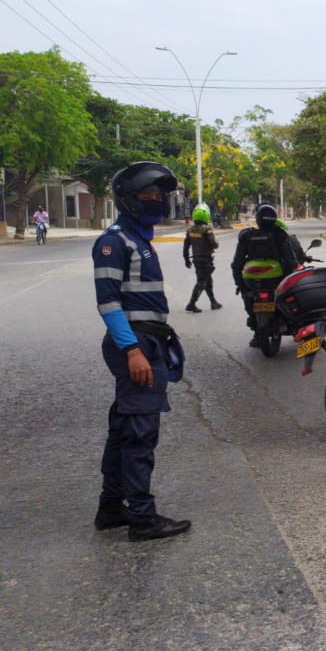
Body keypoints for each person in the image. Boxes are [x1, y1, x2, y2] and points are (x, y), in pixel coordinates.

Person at [91, 161, 191, 542]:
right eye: (147, 194)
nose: (156, 200)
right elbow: (108, 302)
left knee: (123, 430)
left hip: (146, 340)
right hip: (134, 342)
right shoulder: (114, 241)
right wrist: (132, 349)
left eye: (160, 194)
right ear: (127, 200)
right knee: (140, 434)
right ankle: (143, 519)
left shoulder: (138, 240)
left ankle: (112, 508)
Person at [230, 203, 299, 347]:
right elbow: (291, 260)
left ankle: (257, 333)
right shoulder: (280, 235)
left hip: (252, 282)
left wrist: (239, 284)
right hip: (277, 281)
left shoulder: (247, 235)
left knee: (249, 299)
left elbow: (237, 263)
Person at [182, 203, 222, 313]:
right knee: (201, 282)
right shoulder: (207, 229)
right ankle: (191, 303)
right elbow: (213, 244)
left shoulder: (190, 230)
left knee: (208, 281)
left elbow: (186, 246)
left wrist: (186, 259)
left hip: (196, 260)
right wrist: (217, 242)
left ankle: (213, 302)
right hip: (206, 260)